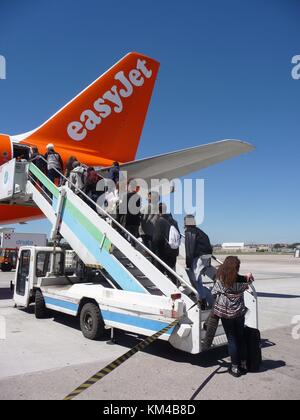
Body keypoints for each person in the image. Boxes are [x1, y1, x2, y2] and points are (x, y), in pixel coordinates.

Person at [212, 256, 254, 378]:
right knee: (240, 338)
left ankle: (235, 368)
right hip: (239, 313)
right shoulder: (243, 281)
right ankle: (244, 364)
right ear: (237, 267)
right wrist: (248, 275)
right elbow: (250, 281)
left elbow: (213, 292)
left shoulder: (221, 279)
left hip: (226, 314)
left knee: (232, 340)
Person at [184, 215, 213, 309]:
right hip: (206, 257)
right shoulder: (200, 231)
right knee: (198, 280)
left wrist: (188, 263)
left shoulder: (190, 232)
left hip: (199, 257)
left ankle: (202, 301)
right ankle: (202, 300)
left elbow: (190, 249)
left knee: (196, 280)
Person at [152, 203, 181, 282]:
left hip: (162, 251)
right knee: (171, 270)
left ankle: (163, 290)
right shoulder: (174, 221)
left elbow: (157, 239)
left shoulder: (159, 221)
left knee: (160, 272)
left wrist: (153, 249)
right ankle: (176, 285)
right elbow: (178, 236)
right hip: (173, 251)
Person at [118, 181, 141, 246]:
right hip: (136, 220)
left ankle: (129, 246)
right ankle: (133, 246)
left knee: (126, 234)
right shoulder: (138, 197)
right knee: (133, 236)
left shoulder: (126, 196)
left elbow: (122, 208)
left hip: (128, 219)